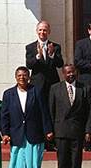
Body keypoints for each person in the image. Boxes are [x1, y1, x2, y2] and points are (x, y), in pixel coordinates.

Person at [0, 66, 53, 168]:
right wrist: (5, 133)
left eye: (24, 75)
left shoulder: (36, 91)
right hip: (17, 134)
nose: (22, 78)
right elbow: (4, 115)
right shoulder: (8, 94)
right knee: (21, 163)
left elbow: (44, 112)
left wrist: (48, 130)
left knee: (33, 162)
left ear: (29, 77)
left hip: (34, 133)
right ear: (15, 77)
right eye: (19, 75)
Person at [48, 64, 91, 168]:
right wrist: (50, 130)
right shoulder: (55, 88)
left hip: (77, 131)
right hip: (61, 131)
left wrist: (87, 130)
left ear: (76, 72)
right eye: (68, 73)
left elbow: (88, 111)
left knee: (76, 162)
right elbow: (51, 110)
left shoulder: (84, 88)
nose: (71, 75)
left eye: (72, 72)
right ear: (63, 74)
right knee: (62, 163)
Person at [26, 20, 63, 152]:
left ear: (49, 32)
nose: (42, 32)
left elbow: (60, 64)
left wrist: (52, 54)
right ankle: (40, 139)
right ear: (37, 31)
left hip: (52, 84)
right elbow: (29, 65)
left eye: (45, 30)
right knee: (38, 111)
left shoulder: (55, 46)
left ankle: (51, 141)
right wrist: (37, 56)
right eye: (40, 30)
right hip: (37, 85)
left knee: (52, 111)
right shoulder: (30, 47)